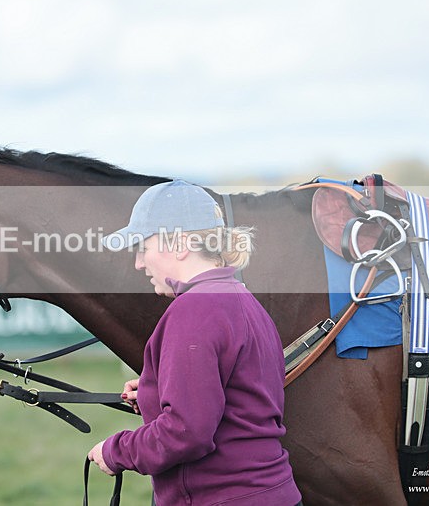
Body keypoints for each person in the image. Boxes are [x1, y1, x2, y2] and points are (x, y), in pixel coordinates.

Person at [88, 180, 302, 506]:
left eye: (143, 247)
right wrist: (156, 391)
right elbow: (237, 397)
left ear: (179, 244)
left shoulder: (193, 309)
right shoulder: (242, 299)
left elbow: (186, 433)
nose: (138, 263)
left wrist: (115, 451)